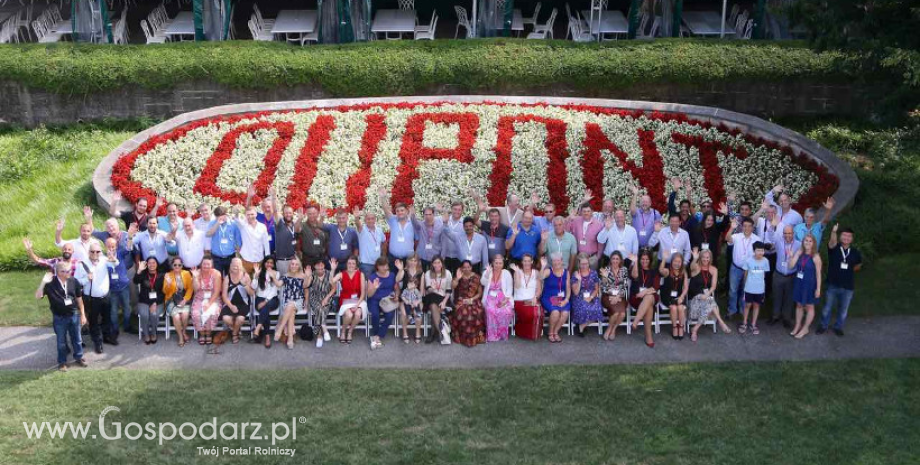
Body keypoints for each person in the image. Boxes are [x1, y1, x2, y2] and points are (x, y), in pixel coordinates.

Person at [35, 262, 87, 371]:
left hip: (74, 315)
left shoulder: (73, 281)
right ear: (57, 272)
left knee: (77, 339)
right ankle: (62, 362)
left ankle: (79, 357)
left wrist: (82, 314)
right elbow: (38, 296)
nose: (66, 273)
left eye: (68, 271)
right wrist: (43, 283)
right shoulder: (50, 284)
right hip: (59, 318)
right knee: (61, 342)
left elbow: (79, 299)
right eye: (63, 271)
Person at [819, 224, 862, 336]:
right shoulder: (834, 248)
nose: (846, 238)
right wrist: (833, 232)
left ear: (852, 239)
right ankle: (823, 326)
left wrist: (849, 270)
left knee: (843, 310)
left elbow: (858, 265)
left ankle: (838, 327)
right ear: (840, 237)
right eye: (844, 235)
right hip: (832, 285)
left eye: (849, 236)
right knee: (827, 308)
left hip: (848, 287)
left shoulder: (855, 252)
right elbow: (832, 241)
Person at [74, 242, 112, 354]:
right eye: (92, 251)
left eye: (98, 251)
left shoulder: (105, 260)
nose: (95, 253)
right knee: (94, 320)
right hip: (91, 298)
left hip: (105, 296)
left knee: (106, 318)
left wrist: (113, 258)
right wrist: (87, 279)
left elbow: (115, 264)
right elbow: (76, 281)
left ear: (101, 252)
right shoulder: (82, 265)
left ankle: (106, 336)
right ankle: (97, 342)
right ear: (88, 252)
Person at [687, 248, 731, 341]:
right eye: (703, 257)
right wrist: (694, 258)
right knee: (711, 302)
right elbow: (691, 267)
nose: (705, 259)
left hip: (706, 301)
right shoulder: (696, 267)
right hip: (694, 302)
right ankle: (721, 322)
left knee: (709, 301)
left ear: (710, 258)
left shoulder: (714, 270)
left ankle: (695, 329)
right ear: (700, 257)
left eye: (707, 257)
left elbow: (713, 286)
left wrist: (707, 295)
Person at [725, 217, 761, 318]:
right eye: (745, 226)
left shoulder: (757, 239)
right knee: (733, 290)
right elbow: (727, 239)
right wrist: (731, 228)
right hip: (736, 268)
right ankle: (732, 310)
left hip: (749, 270)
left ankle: (742, 310)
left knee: (745, 291)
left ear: (753, 228)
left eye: (749, 226)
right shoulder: (736, 236)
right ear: (742, 227)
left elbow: (759, 255)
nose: (747, 228)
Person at [788, 234, 823, 339]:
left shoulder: (816, 257)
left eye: (810, 241)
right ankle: (797, 325)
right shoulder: (800, 253)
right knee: (799, 305)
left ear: (813, 243)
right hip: (799, 283)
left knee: (809, 306)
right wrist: (793, 255)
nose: (807, 243)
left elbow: (818, 274)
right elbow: (791, 266)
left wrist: (818, 289)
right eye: (806, 241)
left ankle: (805, 328)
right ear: (803, 242)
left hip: (810, 285)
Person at [367, 257, 403, 350]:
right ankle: (375, 334)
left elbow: (397, 288)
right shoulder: (373, 277)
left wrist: (397, 296)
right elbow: (369, 295)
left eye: (386, 265)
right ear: (378, 267)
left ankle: (377, 336)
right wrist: (374, 287)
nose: (385, 267)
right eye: (383, 266)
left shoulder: (392, 275)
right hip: (374, 299)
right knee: (375, 314)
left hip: (387, 300)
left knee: (389, 315)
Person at [769, 224, 801, 328]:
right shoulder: (778, 242)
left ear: (793, 233)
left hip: (792, 275)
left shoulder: (799, 245)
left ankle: (786, 318)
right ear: (783, 234)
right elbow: (771, 235)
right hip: (778, 274)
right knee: (776, 296)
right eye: (785, 233)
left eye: (789, 233)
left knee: (789, 298)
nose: (787, 235)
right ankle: (775, 316)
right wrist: (773, 226)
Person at [449, 260, 486, 347]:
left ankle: (476, 338)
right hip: (461, 300)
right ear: (461, 268)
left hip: (474, 300)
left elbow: (480, 293)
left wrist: (471, 299)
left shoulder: (477, 277)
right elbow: (452, 286)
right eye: (464, 267)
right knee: (462, 312)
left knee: (475, 312)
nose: (466, 269)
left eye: (468, 267)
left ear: (471, 267)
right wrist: (457, 278)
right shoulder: (459, 276)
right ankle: (462, 338)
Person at [332, 255, 367, 344]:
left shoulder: (360, 274)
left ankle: (350, 331)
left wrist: (357, 305)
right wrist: (333, 270)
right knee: (349, 315)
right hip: (345, 300)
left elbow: (363, 294)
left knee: (358, 314)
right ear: (346, 264)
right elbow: (331, 281)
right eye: (349, 263)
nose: (351, 265)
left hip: (357, 300)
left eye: (353, 263)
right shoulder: (342, 274)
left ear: (356, 265)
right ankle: (343, 331)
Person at [275, 258, 309, 349]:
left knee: (291, 305)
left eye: (296, 264)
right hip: (287, 302)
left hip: (299, 301)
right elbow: (278, 284)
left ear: (299, 266)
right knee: (291, 312)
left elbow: (306, 288)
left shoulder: (303, 276)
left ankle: (280, 329)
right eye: (292, 264)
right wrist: (273, 276)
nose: (294, 266)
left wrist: (306, 301)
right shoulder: (285, 275)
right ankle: (290, 338)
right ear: (289, 265)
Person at [102, 237, 131, 345]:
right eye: (109, 246)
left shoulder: (120, 253)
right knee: (113, 311)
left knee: (127, 308)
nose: (111, 248)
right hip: (111, 288)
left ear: (116, 246)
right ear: (105, 247)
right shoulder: (102, 258)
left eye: (113, 246)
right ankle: (115, 329)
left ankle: (127, 326)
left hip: (123, 286)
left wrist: (130, 236)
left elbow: (129, 247)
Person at [629, 249, 659, 348]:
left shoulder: (654, 271)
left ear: (650, 260)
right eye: (642, 259)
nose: (644, 261)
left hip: (649, 296)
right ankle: (648, 336)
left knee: (649, 297)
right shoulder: (635, 268)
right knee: (649, 307)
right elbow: (634, 275)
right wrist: (635, 261)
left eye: (646, 259)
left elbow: (655, 287)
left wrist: (644, 292)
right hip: (636, 298)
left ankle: (636, 320)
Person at [250, 256, 282, 348]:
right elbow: (253, 287)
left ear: (274, 264)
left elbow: (274, 290)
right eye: (267, 262)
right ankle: (267, 336)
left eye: (271, 263)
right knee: (265, 310)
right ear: (264, 263)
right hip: (259, 298)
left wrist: (266, 301)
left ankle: (258, 328)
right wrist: (256, 276)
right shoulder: (259, 272)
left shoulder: (277, 273)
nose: (269, 264)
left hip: (272, 299)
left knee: (265, 307)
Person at [481, 254, 514, 342]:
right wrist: (487, 274)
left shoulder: (506, 273)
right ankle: (492, 336)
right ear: (493, 263)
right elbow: (483, 283)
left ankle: (502, 334)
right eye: (496, 263)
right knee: (490, 310)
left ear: (503, 264)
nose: (498, 265)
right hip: (490, 297)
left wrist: (506, 300)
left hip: (503, 296)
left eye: (500, 263)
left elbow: (510, 288)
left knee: (506, 311)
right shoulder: (488, 271)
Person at [509, 254, 542, 341]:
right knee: (529, 314)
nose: (527, 263)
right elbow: (517, 286)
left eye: (528, 261)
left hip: (532, 299)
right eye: (525, 261)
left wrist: (536, 297)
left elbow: (539, 289)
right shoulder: (517, 271)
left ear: (532, 262)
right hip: (520, 300)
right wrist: (517, 273)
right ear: (522, 262)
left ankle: (533, 334)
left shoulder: (536, 273)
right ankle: (520, 330)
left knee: (539, 313)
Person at [379, 190, 415, 267]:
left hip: (408, 260)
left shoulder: (413, 222)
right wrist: (383, 198)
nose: (400, 212)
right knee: (393, 278)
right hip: (393, 259)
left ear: (407, 211)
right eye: (397, 211)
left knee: (407, 279)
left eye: (402, 210)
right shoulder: (393, 220)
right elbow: (386, 210)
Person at [740, 242, 770, 335]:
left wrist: (760, 284)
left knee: (757, 306)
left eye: (762, 250)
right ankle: (744, 323)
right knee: (747, 305)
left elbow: (764, 274)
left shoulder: (765, 261)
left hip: (760, 289)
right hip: (749, 288)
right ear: (754, 251)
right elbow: (745, 274)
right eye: (758, 250)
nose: (760, 252)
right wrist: (746, 285)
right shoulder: (748, 261)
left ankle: (753, 324)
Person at [221, 258, 253, 344]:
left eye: (238, 264)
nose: (235, 266)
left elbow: (251, 293)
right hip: (230, 303)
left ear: (241, 266)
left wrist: (245, 285)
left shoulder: (246, 276)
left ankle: (234, 333)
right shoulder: (227, 278)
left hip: (243, 303)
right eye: (233, 264)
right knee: (226, 319)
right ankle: (237, 328)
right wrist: (231, 306)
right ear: (230, 266)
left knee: (240, 319)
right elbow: (224, 295)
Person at [540, 253, 571, 343]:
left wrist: (566, 300)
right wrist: (542, 266)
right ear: (552, 262)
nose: (556, 262)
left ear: (562, 261)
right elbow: (540, 277)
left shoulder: (566, 272)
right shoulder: (549, 271)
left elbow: (568, 289)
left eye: (558, 260)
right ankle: (550, 333)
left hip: (562, 299)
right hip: (548, 298)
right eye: (554, 260)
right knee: (555, 312)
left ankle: (555, 332)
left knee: (565, 313)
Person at [133, 256, 165, 345]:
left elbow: (163, 292)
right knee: (144, 314)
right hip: (144, 301)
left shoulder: (162, 275)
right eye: (149, 263)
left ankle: (154, 333)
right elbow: (135, 281)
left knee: (153, 314)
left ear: (157, 264)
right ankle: (146, 334)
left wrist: (155, 303)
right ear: (147, 265)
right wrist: (139, 270)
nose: (152, 265)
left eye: (153, 262)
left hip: (158, 301)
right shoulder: (143, 274)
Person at [191, 258, 222, 345]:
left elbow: (217, 291)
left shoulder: (216, 274)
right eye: (204, 264)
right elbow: (195, 289)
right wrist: (195, 277)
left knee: (212, 312)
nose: (206, 266)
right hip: (200, 297)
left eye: (208, 264)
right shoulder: (197, 272)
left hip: (213, 298)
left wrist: (209, 303)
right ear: (201, 264)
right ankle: (201, 333)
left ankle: (208, 333)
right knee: (196, 313)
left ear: (212, 265)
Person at [163, 256, 193, 347]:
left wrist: (185, 299)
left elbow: (190, 289)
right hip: (171, 300)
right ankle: (180, 336)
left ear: (182, 265)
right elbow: (165, 291)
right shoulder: (168, 275)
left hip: (183, 299)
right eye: (175, 265)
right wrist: (168, 284)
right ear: (172, 266)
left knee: (184, 315)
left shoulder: (187, 273)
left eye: (179, 265)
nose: (177, 267)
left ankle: (183, 332)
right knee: (176, 317)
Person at [306, 259, 336, 347]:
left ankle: (319, 336)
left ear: (324, 266)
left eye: (321, 266)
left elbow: (334, 288)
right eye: (318, 266)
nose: (320, 268)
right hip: (314, 297)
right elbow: (306, 286)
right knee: (319, 308)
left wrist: (326, 298)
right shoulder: (311, 274)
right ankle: (324, 328)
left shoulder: (328, 274)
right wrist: (307, 277)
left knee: (321, 309)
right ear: (314, 266)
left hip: (326, 297)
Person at [599, 251, 629, 341]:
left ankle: (613, 329)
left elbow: (625, 286)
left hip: (620, 296)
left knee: (622, 314)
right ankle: (609, 328)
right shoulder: (606, 270)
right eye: (613, 258)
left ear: (620, 260)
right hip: (607, 296)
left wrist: (617, 296)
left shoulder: (624, 270)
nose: (615, 261)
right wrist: (604, 277)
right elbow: (603, 287)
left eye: (617, 259)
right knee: (616, 313)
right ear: (610, 260)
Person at [571, 253, 603, 337]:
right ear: (579, 264)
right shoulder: (575, 274)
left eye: (586, 263)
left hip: (591, 296)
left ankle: (582, 325)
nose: (584, 266)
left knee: (597, 309)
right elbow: (575, 292)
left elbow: (596, 288)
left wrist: (591, 297)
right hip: (579, 297)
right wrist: (579, 280)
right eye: (582, 264)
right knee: (583, 308)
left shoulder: (593, 273)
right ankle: (581, 323)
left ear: (589, 263)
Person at [658, 252, 688, 340]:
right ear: (672, 261)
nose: (677, 263)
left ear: (682, 263)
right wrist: (664, 259)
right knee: (673, 308)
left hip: (679, 296)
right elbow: (660, 270)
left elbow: (685, 288)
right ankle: (675, 327)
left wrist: (682, 296)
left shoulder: (684, 273)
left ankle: (681, 327)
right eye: (675, 261)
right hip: (667, 296)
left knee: (680, 307)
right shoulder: (667, 271)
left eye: (679, 262)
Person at [423, 256, 452, 343]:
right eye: (435, 263)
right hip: (431, 296)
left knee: (433, 307)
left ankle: (432, 333)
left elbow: (449, 290)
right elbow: (428, 288)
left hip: (443, 298)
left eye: (439, 262)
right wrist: (433, 288)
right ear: (432, 264)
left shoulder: (447, 273)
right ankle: (440, 332)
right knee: (432, 299)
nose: (437, 265)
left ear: (442, 263)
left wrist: (444, 302)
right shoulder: (428, 273)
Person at [234, 206, 271, 275]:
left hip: (259, 259)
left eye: (252, 214)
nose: (250, 216)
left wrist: (267, 258)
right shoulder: (243, 225)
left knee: (258, 281)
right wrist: (236, 212)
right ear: (245, 215)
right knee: (245, 282)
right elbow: (236, 219)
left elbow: (266, 243)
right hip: (246, 260)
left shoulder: (262, 226)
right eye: (248, 215)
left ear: (256, 214)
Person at [568, 203, 604, 269]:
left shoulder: (599, 225)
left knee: (591, 278)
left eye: (588, 211)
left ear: (592, 212)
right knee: (578, 277)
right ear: (581, 212)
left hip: (592, 258)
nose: (586, 213)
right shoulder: (576, 221)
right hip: (578, 257)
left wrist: (597, 257)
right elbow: (566, 230)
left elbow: (601, 243)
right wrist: (569, 219)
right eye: (584, 211)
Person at [206, 206, 241, 276]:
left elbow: (238, 240)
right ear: (216, 216)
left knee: (231, 277)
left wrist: (238, 255)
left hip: (230, 257)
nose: (221, 217)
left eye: (223, 215)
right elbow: (208, 234)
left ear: (226, 214)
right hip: (216, 258)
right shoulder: (212, 223)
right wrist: (217, 223)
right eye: (218, 216)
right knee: (217, 278)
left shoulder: (233, 224)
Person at [398, 254, 425, 343]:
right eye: (411, 260)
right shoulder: (404, 271)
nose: (413, 262)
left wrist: (417, 301)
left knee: (418, 314)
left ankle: (417, 332)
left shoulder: (421, 273)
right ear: (408, 261)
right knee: (404, 314)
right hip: (405, 298)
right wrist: (400, 270)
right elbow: (397, 280)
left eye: (415, 260)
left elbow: (421, 290)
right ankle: (405, 332)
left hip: (416, 298)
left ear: (418, 262)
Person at [323, 208, 359, 273]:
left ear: (347, 218)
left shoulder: (352, 231)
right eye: (339, 218)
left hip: (346, 264)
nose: (341, 220)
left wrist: (354, 262)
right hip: (332, 263)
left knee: (346, 282)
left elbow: (356, 248)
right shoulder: (331, 228)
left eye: (343, 218)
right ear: (336, 218)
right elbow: (319, 225)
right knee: (332, 281)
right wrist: (322, 216)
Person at [355, 208, 387, 277]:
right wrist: (356, 218)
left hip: (378, 263)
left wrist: (383, 256)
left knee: (377, 284)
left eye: (372, 218)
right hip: (366, 264)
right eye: (368, 219)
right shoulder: (362, 230)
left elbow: (384, 242)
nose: (370, 220)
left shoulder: (379, 230)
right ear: (365, 220)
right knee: (367, 284)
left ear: (375, 219)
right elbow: (358, 224)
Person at [411, 206, 444, 270]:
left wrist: (442, 255)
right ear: (423, 215)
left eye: (430, 214)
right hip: (422, 256)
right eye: (426, 214)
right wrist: (412, 215)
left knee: (433, 276)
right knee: (421, 274)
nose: (428, 217)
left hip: (434, 256)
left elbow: (443, 241)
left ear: (433, 215)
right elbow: (415, 223)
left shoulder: (439, 225)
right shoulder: (421, 225)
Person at [298, 203, 328, 268]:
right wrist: (299, 219)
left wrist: (322, 217)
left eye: (314, 213)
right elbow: (296, 230)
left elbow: (327, 241)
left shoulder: (323, 226)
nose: (312, 215)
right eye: (309, 214)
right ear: (306, 214)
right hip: (307, 259)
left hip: (320, 259)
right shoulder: (303, 225)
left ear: (318, 213)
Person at [274, 205, 299, 277]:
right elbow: (275, 211)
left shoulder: (293, 224)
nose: (288, 215)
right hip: (282, 261)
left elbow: (297, 232)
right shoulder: (279, 223)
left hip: (292, 260)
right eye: (286, 213)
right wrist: (273, 197)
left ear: (293, 213)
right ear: (283, 214)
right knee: (283, 283)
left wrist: (300, 218)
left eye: (290, 213)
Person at [442, 201, 466, 274]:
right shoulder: (445, 220)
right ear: (451, 209)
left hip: (458, 257)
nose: (457, 211)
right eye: (455, 209)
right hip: (445, 256)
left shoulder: (465, 223)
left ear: (462, 211)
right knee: (445, 278)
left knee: (457, 279)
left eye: (459, 210)